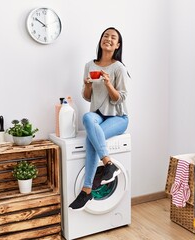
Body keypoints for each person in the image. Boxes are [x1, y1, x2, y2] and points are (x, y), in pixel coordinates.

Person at [69, 27, 130, 210]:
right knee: (87, 116)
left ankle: (86, 190)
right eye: (106, 36)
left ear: (117, 45)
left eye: (113, 38)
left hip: (118, 117)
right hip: (98, 115)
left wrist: (108, 84)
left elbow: (121, 98)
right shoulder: (90, 65)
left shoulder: (118, 67)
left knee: (91, 140)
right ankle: (108, 163)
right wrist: (87, 84)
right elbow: (88, 97)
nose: (108, 39)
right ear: (101, 40)